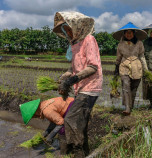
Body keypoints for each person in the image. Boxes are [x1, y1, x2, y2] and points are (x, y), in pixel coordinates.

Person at [53, 11, 103, 157]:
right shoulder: (75, 43)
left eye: (69, 28)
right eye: (66, 30)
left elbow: (93, 66)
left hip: (90, 87)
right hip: (80, 88)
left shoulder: (89, 39)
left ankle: (77, 151)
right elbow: (73, 68)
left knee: (70, 119)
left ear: (77, 26)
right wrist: (64, 77)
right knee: (80, 123)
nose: (68, 32)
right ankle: (85, 152)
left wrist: (72, 80)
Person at [112, 22, 148, 115]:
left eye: (130, 32)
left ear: (134, 33)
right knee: (126, 85)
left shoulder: (139, 43)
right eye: (126, 32)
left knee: (134, 88)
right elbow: (118, 58)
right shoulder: (120, 44)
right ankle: (127, 107)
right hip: (124, 66)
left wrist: (146, 70)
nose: (128, 34)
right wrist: (116, 69)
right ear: (124, 34)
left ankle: (130, 106)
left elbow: (142, 56)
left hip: (137, 67)